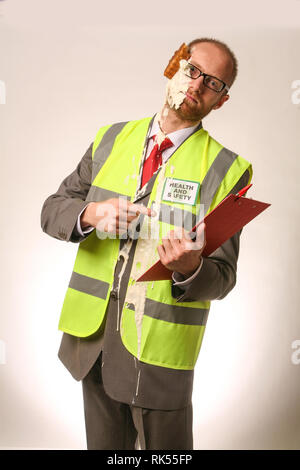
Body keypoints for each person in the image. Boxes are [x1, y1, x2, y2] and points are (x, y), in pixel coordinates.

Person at [41, 37, 252, 450]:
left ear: (221, 100)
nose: (196, 85)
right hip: (94, 342)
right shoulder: (110, 139)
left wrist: (191, 268)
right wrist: (91, 214)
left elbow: (223, 277)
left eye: (213, 83)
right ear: (174, 66)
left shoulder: (230, 171)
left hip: (160, 355)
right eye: (192, 70)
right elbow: (52, 209)